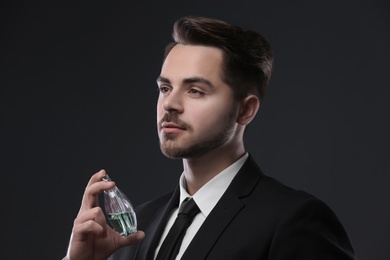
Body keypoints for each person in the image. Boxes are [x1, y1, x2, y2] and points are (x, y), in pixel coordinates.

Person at [64, 16, 356, 260]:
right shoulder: (135, 228)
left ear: (246, 109)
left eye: (195, 90)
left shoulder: (295, 222)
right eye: (165, 88)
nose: (169, 104)